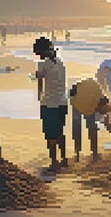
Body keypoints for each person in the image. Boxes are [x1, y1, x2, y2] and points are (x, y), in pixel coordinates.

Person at [33, 37, 68, 174]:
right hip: (62, 101)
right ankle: (64, 159)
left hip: (49, 103)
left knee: (50, 135)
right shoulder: (60, 62)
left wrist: (38, 96)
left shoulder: (43, 64)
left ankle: (54, 163)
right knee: (60, 132)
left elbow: (39, 82)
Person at [70, 78, 111, 163]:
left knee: (90, 127)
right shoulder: (93, 104)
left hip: (83, 93)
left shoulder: (100, 99)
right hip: (76, 98)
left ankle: (93, 153)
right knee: (79, 127)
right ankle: (78, 153)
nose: (102, 113)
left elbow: (105, 120)